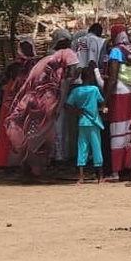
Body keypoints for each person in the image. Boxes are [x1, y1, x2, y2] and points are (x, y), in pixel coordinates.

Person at [3, 32, 79, 182]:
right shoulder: (66, 55)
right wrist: (59, 106)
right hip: (44, 104)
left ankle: (26, 170)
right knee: (42, 137)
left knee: (29, 135)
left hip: (30, 101)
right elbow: (64, 81)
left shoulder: (46, 59)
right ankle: (37, 172)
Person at [103, 24, 131, 181]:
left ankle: (116, 171)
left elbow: (113, 77)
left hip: (119, 94)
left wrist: (105, 99)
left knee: (117, 130)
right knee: (130, 130)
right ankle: (129, 169)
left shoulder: (116, 51)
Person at [0, 37, 38, 168]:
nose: (27, 50)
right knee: (7, 130)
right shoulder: (15, 66)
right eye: (25, 47)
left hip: (27, 101)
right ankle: (3, 162)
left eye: (29, 47)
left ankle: (21, 163)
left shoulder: (35, 65)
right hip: (13, 101)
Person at [66, 67, 108, 184]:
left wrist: (77, 111)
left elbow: (68, 105)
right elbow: (102, 101)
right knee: (96, 148)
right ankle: (100, 177)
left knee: (82, 149)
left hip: (82, 122)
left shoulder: (76, 91)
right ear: (91, 77)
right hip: (93, 122)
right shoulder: (94, 90)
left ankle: (81, 178)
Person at [50, 28, 76, 164]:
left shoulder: (67, 54)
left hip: (66, 92)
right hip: (55, 93)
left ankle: (65, 154)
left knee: (66, 126)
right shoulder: (52, 55)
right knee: (57, 125)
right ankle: (58, 156)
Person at [74, 23, 107, 88]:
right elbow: (94, 61)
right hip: (95, 76)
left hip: (80, 76)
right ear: (100, 32)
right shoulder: (101, 41)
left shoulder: (79, 40)